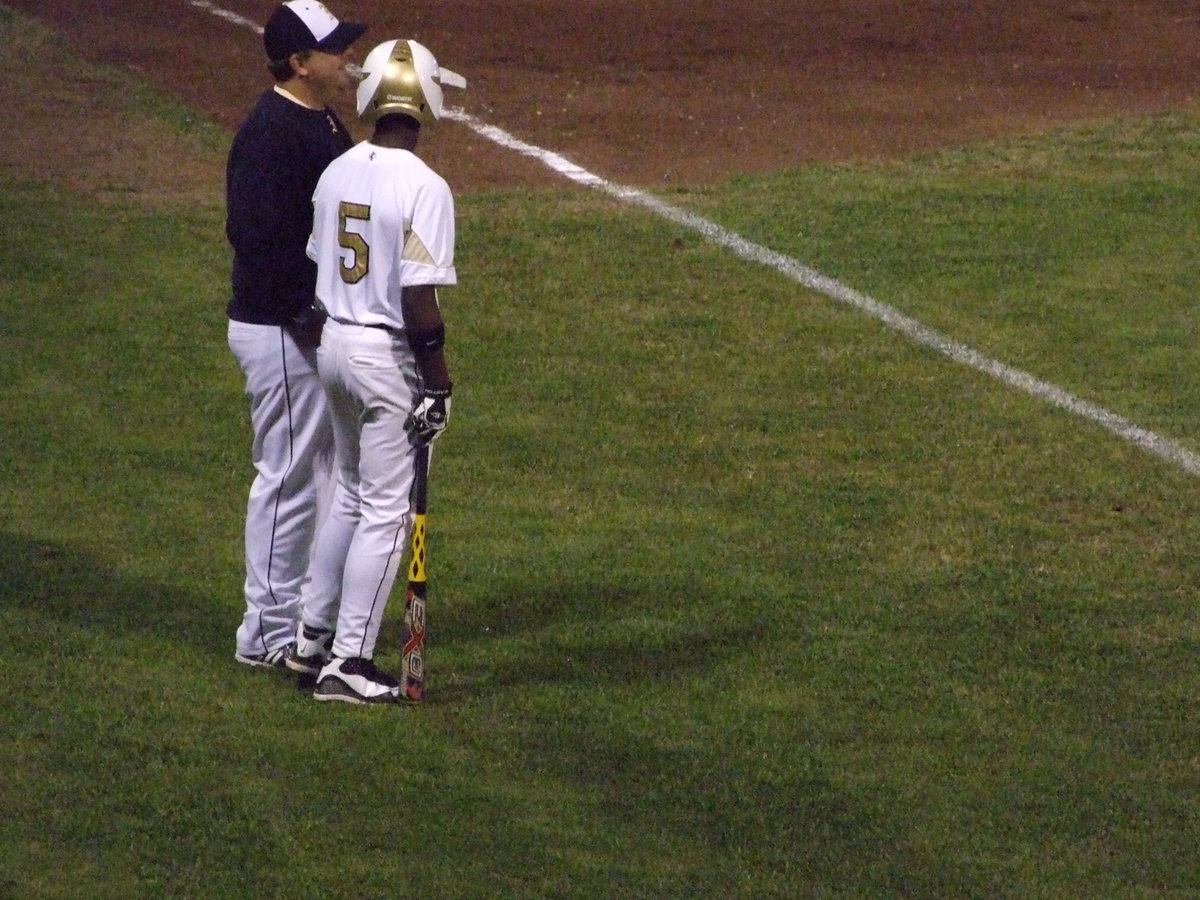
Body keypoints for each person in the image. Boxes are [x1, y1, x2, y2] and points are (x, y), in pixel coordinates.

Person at [285, 38, 465, 703]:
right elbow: (419, 298)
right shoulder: (425, 188)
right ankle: (349, 663)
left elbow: (315, 260)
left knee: (354, 494)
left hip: (331, 344)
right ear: (426, 97)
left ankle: (311, 640)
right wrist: (438, 383)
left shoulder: (337, 170)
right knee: (387, 510)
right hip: (383, 358)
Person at [226, 1, 367, 668]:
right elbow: (252, 240)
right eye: (332, 49)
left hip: (305, 326)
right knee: (288, 478)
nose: (344, 55)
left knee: (321, 473)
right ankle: (267, 635)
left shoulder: (319, 119)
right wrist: (300, 313)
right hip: (278, 328)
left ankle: (309, 624)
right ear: (299, 63)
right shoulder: (270, 133)